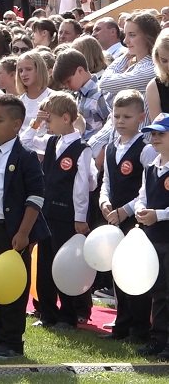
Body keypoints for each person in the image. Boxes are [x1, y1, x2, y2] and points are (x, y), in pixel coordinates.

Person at [0, 93, 49, 359]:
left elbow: (36, 197)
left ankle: (12, 341)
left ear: (16, 125)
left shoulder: (25, 157)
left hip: (11, 232)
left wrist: (24, 232)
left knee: (12, 287)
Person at [31, 92, 96, 330]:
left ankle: (69, 314)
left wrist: (80, 217)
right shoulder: (51, 142)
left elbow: (82, 186)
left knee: (66, 263)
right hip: (47, 213)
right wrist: (35, 124)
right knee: (45, 263)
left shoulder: (81, 148)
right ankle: (47, 312)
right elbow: (26, 142)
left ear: (66, 118)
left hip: (67, 216)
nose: (46, 123)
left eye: (50, 119)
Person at [98, 90, 154, 342]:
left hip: (135, 220)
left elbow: (147, 189)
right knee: (118, 271)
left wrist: (126, 210)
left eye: (127, 117)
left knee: (136, 272)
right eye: (117, 116)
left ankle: (139, 328)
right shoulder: (111, 147)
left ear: (141, 118)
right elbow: (106, 182)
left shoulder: (146, 149)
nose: (120, 121)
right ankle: (121, 324)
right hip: (114, 219)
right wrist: (104, 201)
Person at [133, 112, 169, 361]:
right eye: (153, 134)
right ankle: (158, 339)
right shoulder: (151, 168)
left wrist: (159, 215)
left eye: (161, 134)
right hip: (153, 238)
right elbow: (142, 196)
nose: (155, 138)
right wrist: (140, 209)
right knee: (158, 291)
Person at [53, 49, 109, 141]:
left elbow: (110, 125)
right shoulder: (77, 95)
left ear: (80, 70)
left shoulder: (99, 94)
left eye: (68, 81)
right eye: (64, 84)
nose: (67, 86)